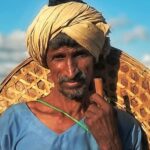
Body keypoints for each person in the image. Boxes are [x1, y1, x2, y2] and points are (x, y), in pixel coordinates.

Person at [0, 0, 143, 149]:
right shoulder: (14, 122)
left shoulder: (123, 126)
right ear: (47, 61)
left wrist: (110, 142)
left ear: (95, 57)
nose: (71, 71)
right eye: (59, 57)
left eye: (81, 55)